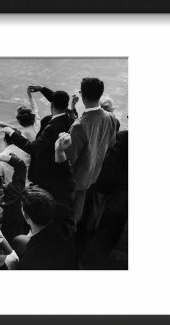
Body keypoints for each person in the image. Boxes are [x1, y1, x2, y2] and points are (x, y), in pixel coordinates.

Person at [0, 133, 79, 270]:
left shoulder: (30, 260)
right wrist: (59, 151)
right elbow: (64, 183)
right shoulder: (66, 222)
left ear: (26, 216)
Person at [0, 90, 75, 204]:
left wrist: (10, 131)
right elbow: (40, 108)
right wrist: (43, 89)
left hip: (44, 174)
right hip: (54, 169)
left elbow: (32, 148)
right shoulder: (69, 117)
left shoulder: (50, 127)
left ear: (52, 104)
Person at [65, 78, 118, 229]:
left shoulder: (79, 125)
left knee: (67, 217)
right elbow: (112, 143)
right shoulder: (111, 118)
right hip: (92, 175)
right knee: (76, 215)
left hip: (74, 180)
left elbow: (69, 159)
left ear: (82, 95)